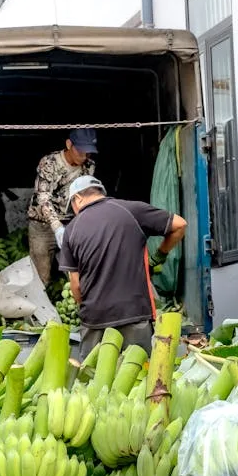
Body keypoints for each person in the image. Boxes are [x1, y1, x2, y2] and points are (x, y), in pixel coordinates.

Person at [58, 175, 187, 357]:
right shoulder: (131, 210)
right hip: (133, 314)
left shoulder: (71, 229)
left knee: (93, 380)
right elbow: (180, 225)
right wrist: (159, 256)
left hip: (94, 320)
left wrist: (90, 307)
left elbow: (76, 285)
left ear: (77, 199)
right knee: (137, 378)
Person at [27, 128, 99, 285]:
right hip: (43, 225)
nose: (85, 156)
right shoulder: (50, 163)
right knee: (41, 277)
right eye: (81, 151)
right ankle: (40, 307)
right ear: (69, 144)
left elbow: (86, 196)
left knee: (79, 274)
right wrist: (57, 227)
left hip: (72, 224)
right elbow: (43, 197)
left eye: (88, 152)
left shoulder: (89, 166)